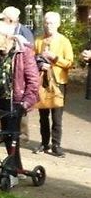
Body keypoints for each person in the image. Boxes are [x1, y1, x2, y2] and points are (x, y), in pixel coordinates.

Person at [0, 21, 39, 179]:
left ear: (7, 36)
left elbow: (33, 82)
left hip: (17, 103)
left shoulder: (23, 53)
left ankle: (15, 170)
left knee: (13, 136)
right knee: (6, 136)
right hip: (2, 102)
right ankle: (16, 168)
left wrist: (25, 104)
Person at [33, 11, 73, 158]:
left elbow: (70, 62)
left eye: (51, 23)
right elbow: (31, 59)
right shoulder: (38, 41)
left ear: (58, 24)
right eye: (46, 22)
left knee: (57, 116)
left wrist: (55, 58)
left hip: (58, 82)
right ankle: (44, 143)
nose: (48, 26)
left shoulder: (64, 41)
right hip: (42, 81)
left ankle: (56, 145)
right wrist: (40, 64)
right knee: (43, 115)